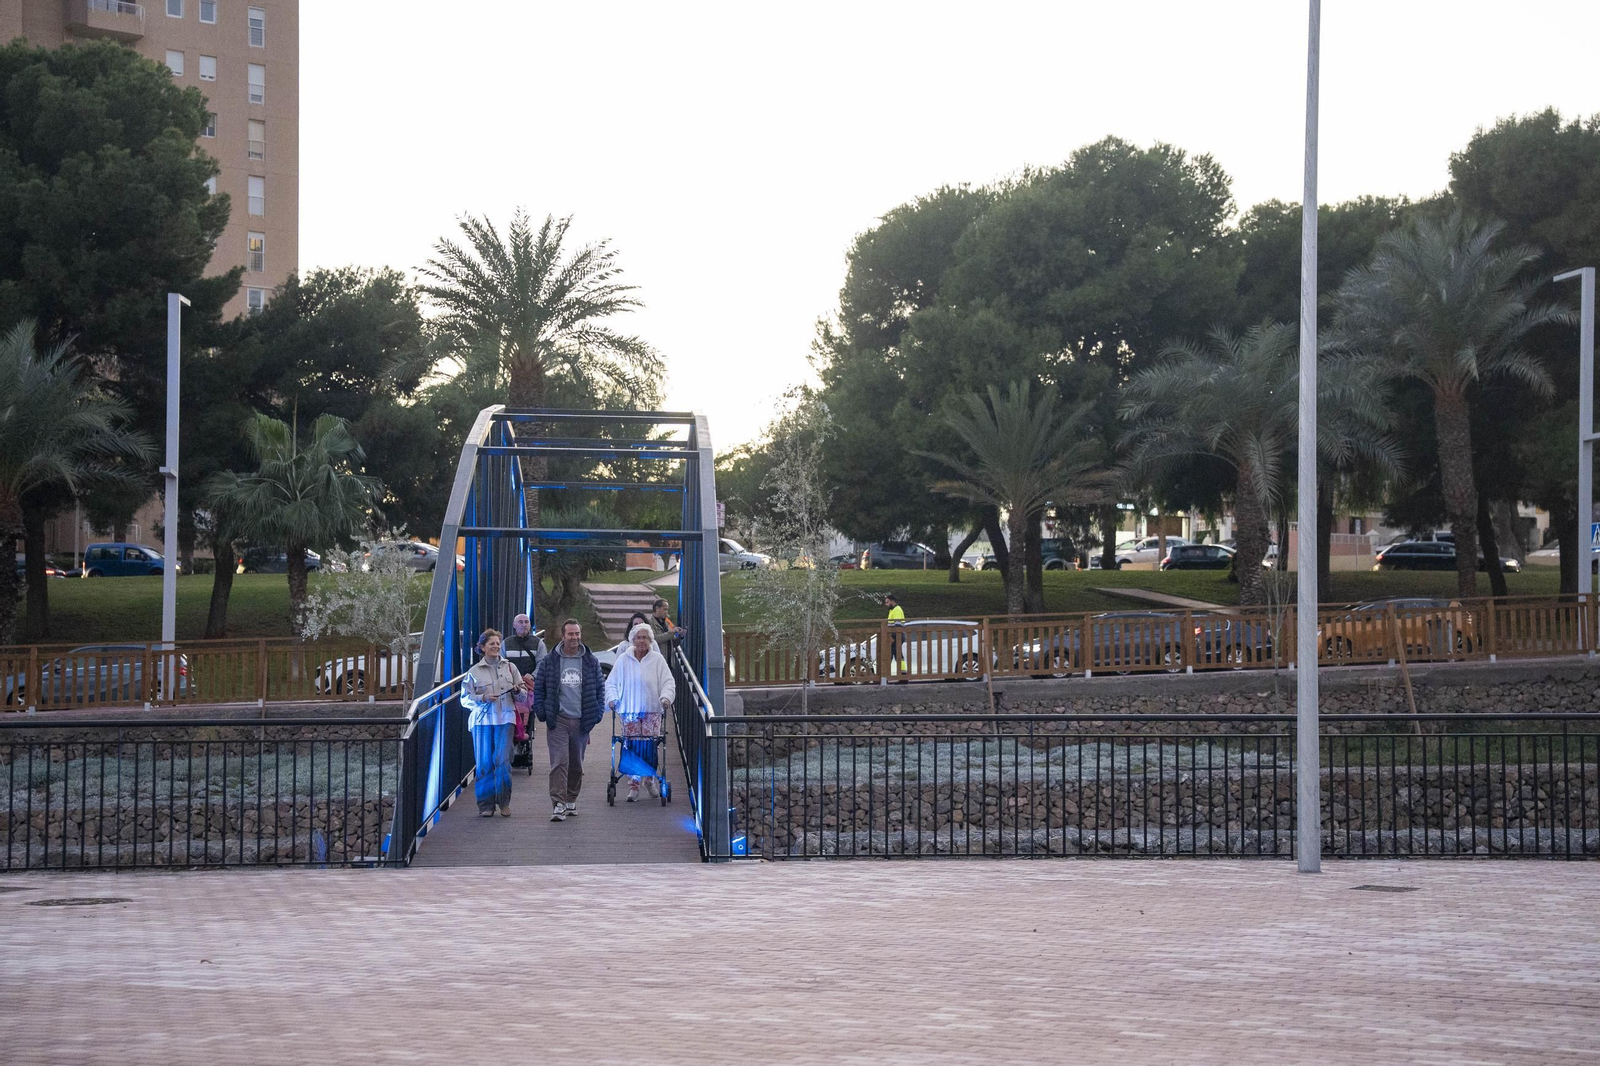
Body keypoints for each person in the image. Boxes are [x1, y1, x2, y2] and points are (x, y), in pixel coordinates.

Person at [532, 618, 605, 822]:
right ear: (563, 636)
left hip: (582, 720)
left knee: (576, 765)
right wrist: (542, 711)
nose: (574, 637)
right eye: (571, 634)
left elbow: (600, 688)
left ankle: (571, 798)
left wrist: (597, 712)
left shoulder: (590, 661)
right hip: (559, 719)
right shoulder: (550, 660)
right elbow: (540, 687)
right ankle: (558, 804)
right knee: (559, 762)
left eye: (577, 634)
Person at [605, 622, 675, 802]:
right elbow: (611, 683)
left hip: (652, 710)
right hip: (629, 711)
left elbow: (668, 682)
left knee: (650, 745)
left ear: (650, 640)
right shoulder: (623, 660)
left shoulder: (657, 660)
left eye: (645, 637)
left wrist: (666, 697)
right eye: (638, 637)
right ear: (632, 640)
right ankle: (633, 787)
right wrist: (613, 699)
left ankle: (649, 780)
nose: (642, 641)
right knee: (632, 746)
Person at [461, 628, 522, 817]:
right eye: (491, 644)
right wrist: (483, 698)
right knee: (485, 763)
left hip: (506, 719)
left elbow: (523, 695)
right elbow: (464, 699)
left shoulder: (510, 668)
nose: (496, 646)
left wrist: (517, 691)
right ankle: (485, 806)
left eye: (498, 643)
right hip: (483, 721)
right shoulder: (474, 672)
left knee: (502, 761)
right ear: (482, 647)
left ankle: (504, 802)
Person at [503, 613, 546, 678]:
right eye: (520, 622)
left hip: (531, 684)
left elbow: (542, 663)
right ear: (514, 625)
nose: (524, 625)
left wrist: (533, 676)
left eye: (526, 622)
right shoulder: (505, 643)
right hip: (511, 683)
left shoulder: (538, 643)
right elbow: (501, 664)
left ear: (530, 625)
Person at [885, 592, 908, 680]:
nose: (886, 604)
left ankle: (902, 674)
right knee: (894, 654)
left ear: (892, 601)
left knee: (896, 654)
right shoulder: (892, 610)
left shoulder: (897, 610)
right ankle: (901, 673)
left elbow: (897, 626)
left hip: (897, 635)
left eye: (887, 602)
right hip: (895, 635)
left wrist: (892, 636)